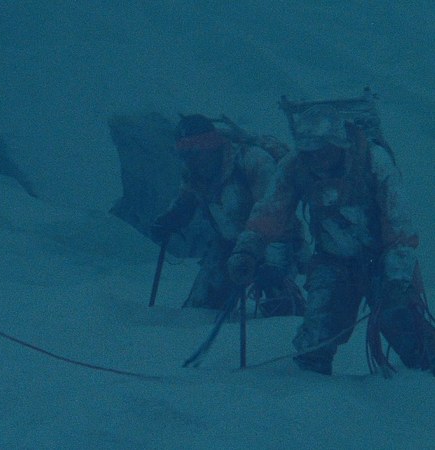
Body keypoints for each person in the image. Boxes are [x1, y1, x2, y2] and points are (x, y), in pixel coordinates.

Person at [228, 99, 435, 376]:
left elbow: (399, 225)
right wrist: (248, 248)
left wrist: (397, 277)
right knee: (316, 338)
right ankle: (311, 393)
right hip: (332, 261)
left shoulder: (374, 161)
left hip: (383, 260)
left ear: (339, 145)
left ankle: (425, 383)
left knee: (404, 325)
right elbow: (271, 211)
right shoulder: (294, 166)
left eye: (322, 150)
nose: (316, 158)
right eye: (309, 152)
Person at [150, 114, 305, 317]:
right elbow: (187, 199)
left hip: (273, 242)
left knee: (280, 308)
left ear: (211, 146)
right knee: (200, 312)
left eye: (195, 151)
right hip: (229, 244)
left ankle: (290, 320)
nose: (190, 160)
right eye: (184, 153)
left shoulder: (253, 161)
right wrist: (171, 218)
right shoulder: (194, 173)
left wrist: (274, 263)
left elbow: (275, 214)